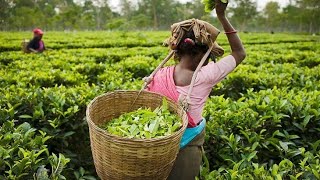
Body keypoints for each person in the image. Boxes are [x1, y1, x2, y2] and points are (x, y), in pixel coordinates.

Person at [144, 1, 246, 179]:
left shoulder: (159, 74)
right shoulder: (205, 75)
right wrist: (222, 16)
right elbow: (239, 53)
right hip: (186, 149)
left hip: (155, 148)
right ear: (202, 54)